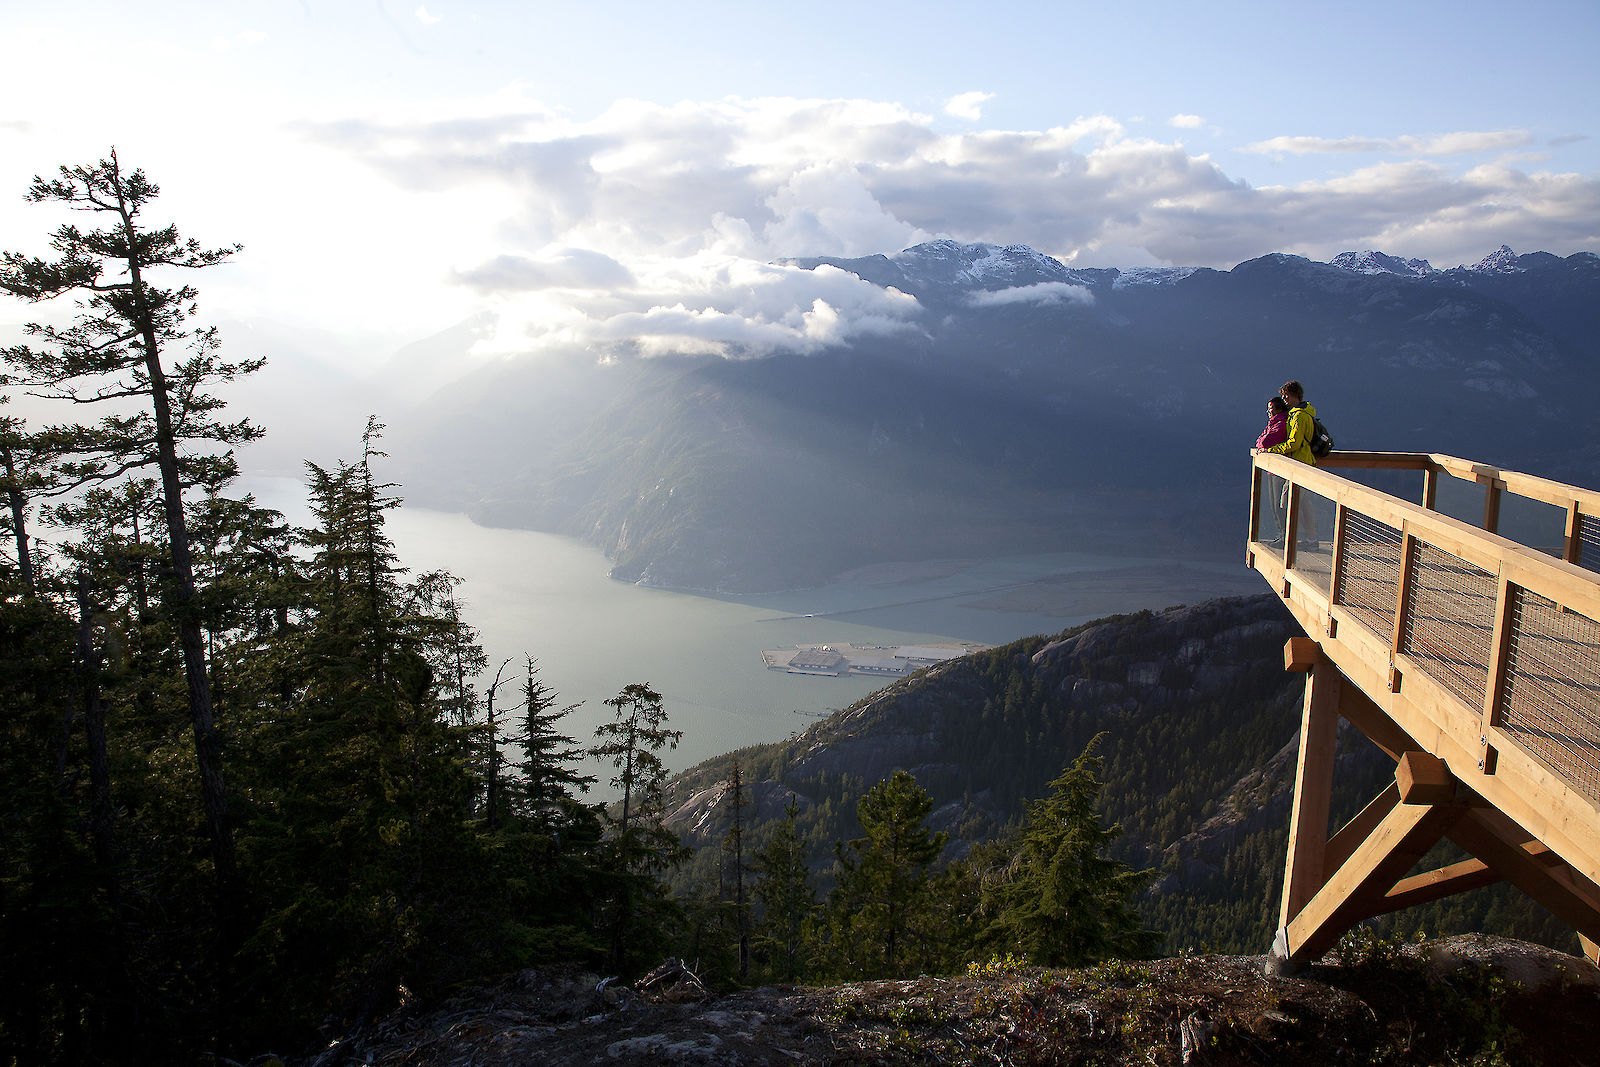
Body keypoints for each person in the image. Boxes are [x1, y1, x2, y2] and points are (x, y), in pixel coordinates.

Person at [1259, 380, 1319, 546]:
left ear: (1294, 396)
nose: (1284, 399)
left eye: (1286, 395)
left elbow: (1294, 443)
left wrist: (1271, 450)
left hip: (1301, 465)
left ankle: (1295, 539)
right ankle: (1309, 538)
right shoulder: (1301, 413)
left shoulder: (1299, 416)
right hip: (1303, 463)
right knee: (1303, 503)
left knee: (1288, 502)